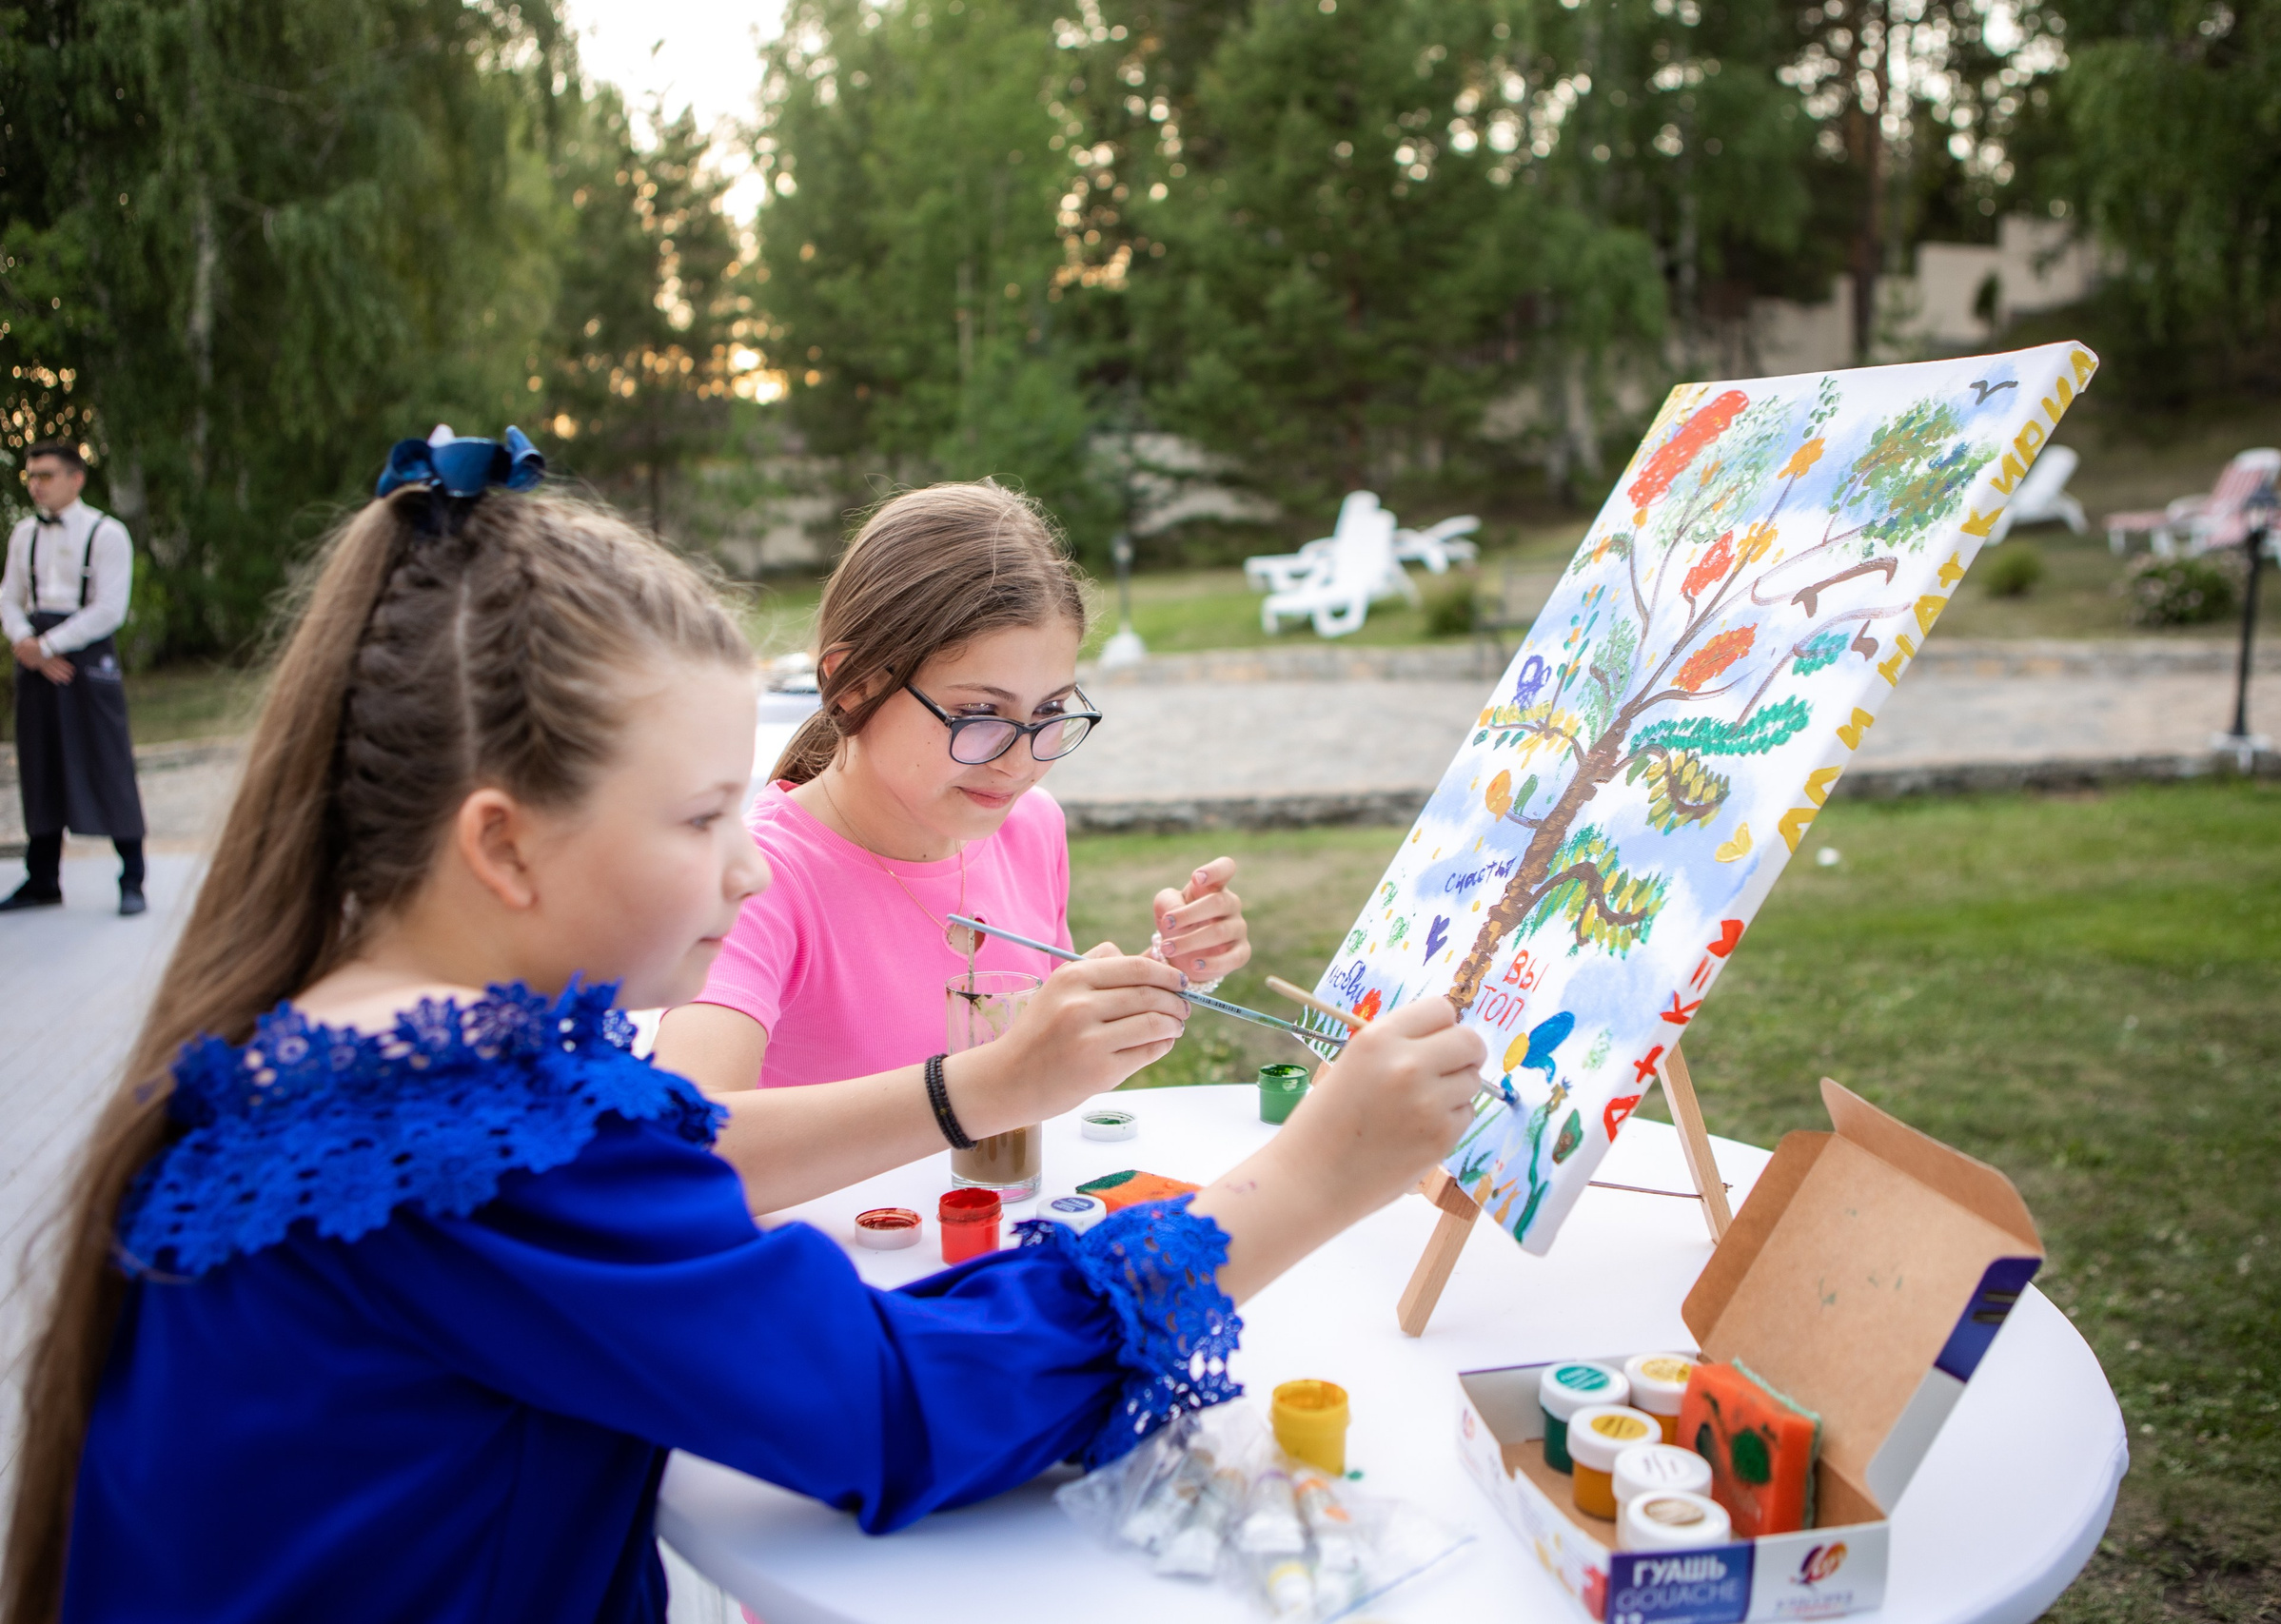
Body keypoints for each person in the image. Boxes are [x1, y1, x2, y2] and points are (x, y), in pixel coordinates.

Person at [1, 431, 1487, 1624]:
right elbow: (895, 1403)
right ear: (504, 843)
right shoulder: (472, 1137)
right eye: (707, 814)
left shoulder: (362, 1063)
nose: (751, 863)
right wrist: (1311, 1174)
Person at [653, 482, 1255, 1210]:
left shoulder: (1029, 828)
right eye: (979, 713)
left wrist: (1157, 978)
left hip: (984, 1252)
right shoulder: (755, 879)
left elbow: (1032, 1084)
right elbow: (676, 1156)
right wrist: (980, 1087)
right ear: (851, 685)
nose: (1020, 762)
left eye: (1051, 711)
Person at [2, 441, 147, 914]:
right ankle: (42, 878)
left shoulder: (107, 533)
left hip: (86, 656)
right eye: (31, 476)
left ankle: (132, 877)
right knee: (39, 762)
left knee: (107, 759)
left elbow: (109, 609)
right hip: (34, 657)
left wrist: (48, 647)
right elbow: (9, 596)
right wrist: (27, 644)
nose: (36, 485)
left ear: (76, 478)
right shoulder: (24, 534)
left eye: (46, 475)